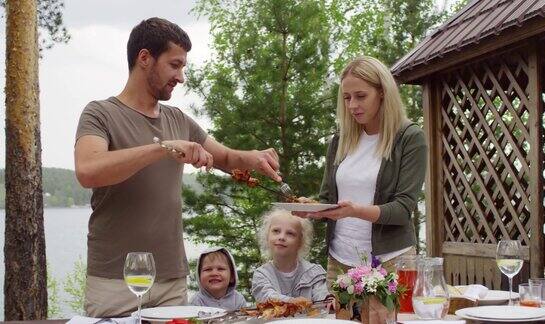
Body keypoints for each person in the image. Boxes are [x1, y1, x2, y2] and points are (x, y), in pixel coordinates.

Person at [74, 17, 282, 317]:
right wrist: (163, 148)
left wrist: (253, 157)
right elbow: (88, 170)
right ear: (144, 58)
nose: (181, 77)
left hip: (171, 280)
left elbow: (224, 157)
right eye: (175, 65)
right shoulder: (100, 113)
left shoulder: (179, 120)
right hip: (113, 280)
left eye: (183, 67)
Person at [296, 55, 427, 288]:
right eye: (347, 98)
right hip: (340, 262)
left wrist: (355, 211)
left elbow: (402, 210)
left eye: (361, 96)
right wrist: (316, 209)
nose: (352, 105)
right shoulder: (340, 140)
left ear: (383, 93)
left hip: (391, 262)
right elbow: (329, 199)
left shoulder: (409, 138)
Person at [251, 209, 330, 303]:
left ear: (301, 241)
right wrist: (293, 302)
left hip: (310, 318)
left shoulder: (313, 273)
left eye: (290, 233)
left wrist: (329, 300)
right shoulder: (262, 274)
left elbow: (323, 299)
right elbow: (266, 297)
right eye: (276, 231)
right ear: (267, 236)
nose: (281, 237)